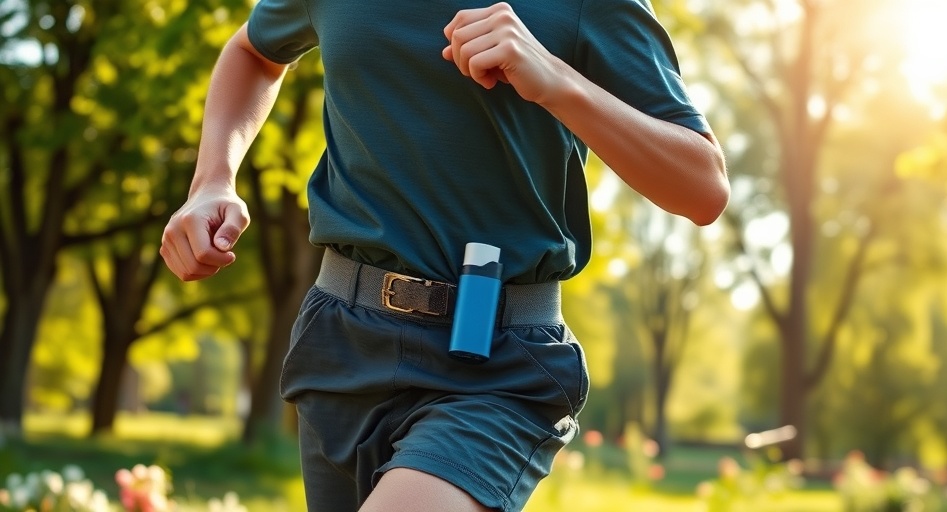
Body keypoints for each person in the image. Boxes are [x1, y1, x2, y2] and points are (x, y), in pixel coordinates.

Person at [160, 0, 729, 510]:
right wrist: (212, 180)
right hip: (341, 341)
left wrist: (556, 79)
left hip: (494, 364)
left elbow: (702, 186)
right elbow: (254, 51)